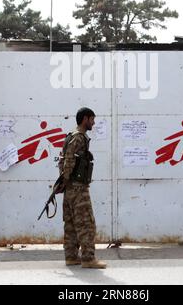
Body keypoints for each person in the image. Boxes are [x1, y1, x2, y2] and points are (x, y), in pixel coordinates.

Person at [61, 107, 106, 269]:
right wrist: (68, 179)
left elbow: (63, 160)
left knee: (71, 224)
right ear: (85, 119)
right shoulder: (79, 138)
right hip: (78, 188)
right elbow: (69, 161)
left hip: (69, 188)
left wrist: (65, 182)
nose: (93, 123)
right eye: (92, 119)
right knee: (86, 223)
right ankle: (88, 259)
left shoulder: (71, 137)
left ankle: (71, 257)